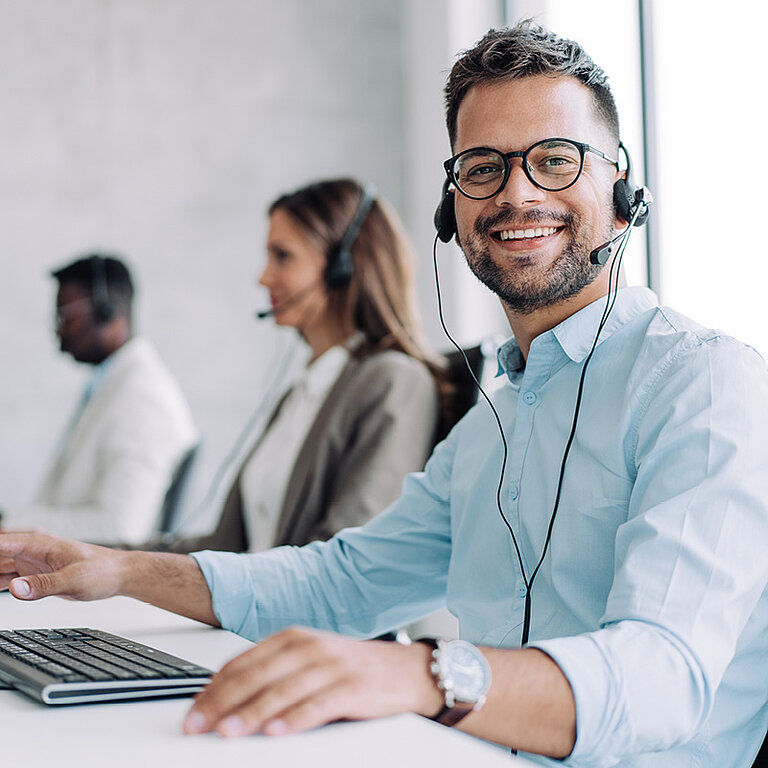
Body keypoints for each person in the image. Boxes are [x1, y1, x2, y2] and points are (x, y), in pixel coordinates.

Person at [2, 22, 768, 767]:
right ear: (451, 210)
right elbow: (341, 581)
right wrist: (116, 570)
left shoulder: (701, 384)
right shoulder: (491, 427)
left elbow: (664, 676)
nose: (517, 191)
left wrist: (421, 673)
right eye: (482, 168)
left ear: (624, 189)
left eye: (556, 160)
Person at [154, 178, 441, 554]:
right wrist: (100, 556)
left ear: (342, 265)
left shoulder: (394, 381)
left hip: (296, 597)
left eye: (282, 256)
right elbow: (223, 547)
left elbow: (349, 559)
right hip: (259, 593)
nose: (263, 277)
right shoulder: (301, 393)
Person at [1, 254, 198, 545]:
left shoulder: (143, 400)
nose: (58, 330)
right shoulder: (111, 384)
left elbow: (121, 527)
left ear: (107, 311)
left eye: (66, 317)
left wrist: (12, 525)